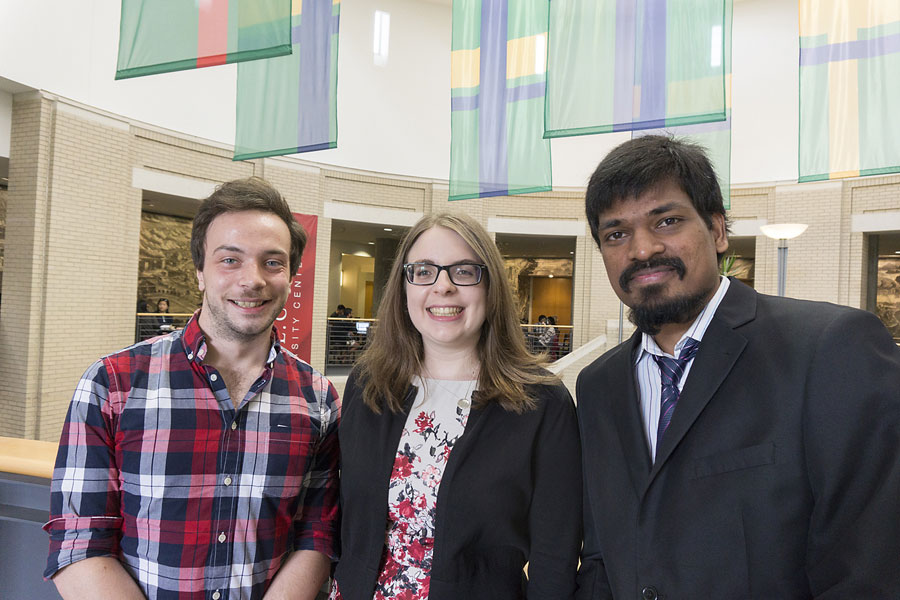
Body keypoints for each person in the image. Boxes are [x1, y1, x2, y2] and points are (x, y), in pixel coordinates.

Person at [576, 135, 900, 598]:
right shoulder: (598, 385)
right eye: (616, 234)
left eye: (666, 221)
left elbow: (872, 566)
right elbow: (603, 558)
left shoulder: (830, 349)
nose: (642, 249)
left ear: (718, 230)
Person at [45, 177, 340, 600]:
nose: (252, 279)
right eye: (230, 260)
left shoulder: (318, 399)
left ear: (291, 276)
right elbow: (78, 544)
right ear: (200, 272)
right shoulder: (111, 383)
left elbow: (316, 535)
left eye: (272, 262)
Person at [332, 212, 582, 599]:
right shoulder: (368, 387)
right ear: (404, 286)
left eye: (464, 271)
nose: (443, 287)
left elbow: (555, 557)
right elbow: (343, 524)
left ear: (490, 287)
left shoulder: (542, 404)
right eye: (423, 270)